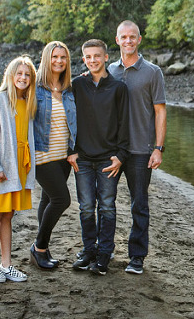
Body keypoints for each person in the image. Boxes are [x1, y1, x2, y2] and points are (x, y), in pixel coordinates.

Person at [0, 42, 78, 271]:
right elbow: (5, 108)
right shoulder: (38, 89)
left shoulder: (70, 89)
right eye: (54, 57)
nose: (58, 61)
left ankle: (31, 255)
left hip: (63, 156)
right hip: (39, 156)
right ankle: (39, 247)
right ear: (46, 59)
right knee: (61, 200)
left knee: (45, 201)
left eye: (63, 57)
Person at [108, 20, 167, 275]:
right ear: (117, 40)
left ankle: (137, 257)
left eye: (133, 37)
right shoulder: (109, 70)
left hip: (142, 150)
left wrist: (159, 148)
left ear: (139, 40)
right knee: (105, 202)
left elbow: (160, 112)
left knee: (139, 204)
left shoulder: (153, 72)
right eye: (124, 37)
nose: (128, 41)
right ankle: (103, 250)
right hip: (112, 150)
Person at [68, 39, 130, 276]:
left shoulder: (118, 88)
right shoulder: (77, 85)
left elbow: (124, 124)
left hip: (108, 160)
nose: (93, 60)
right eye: (88, 57)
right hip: (82, 159)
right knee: (85, 207)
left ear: (106, 58)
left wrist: (121, 156)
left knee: (106, 207)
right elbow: (64, 116)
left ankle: (104, 253)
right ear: (83, 59)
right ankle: (88, 250)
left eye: (97, 56)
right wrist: (69, 151)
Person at [0, 56, 37, 283]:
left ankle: (6, 265)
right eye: (19, 73)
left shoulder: (30, 101)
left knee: (9, 215)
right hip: (2, 167)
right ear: (11, 75)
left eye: (27, 74)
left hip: (21, 168)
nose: (23, 78)